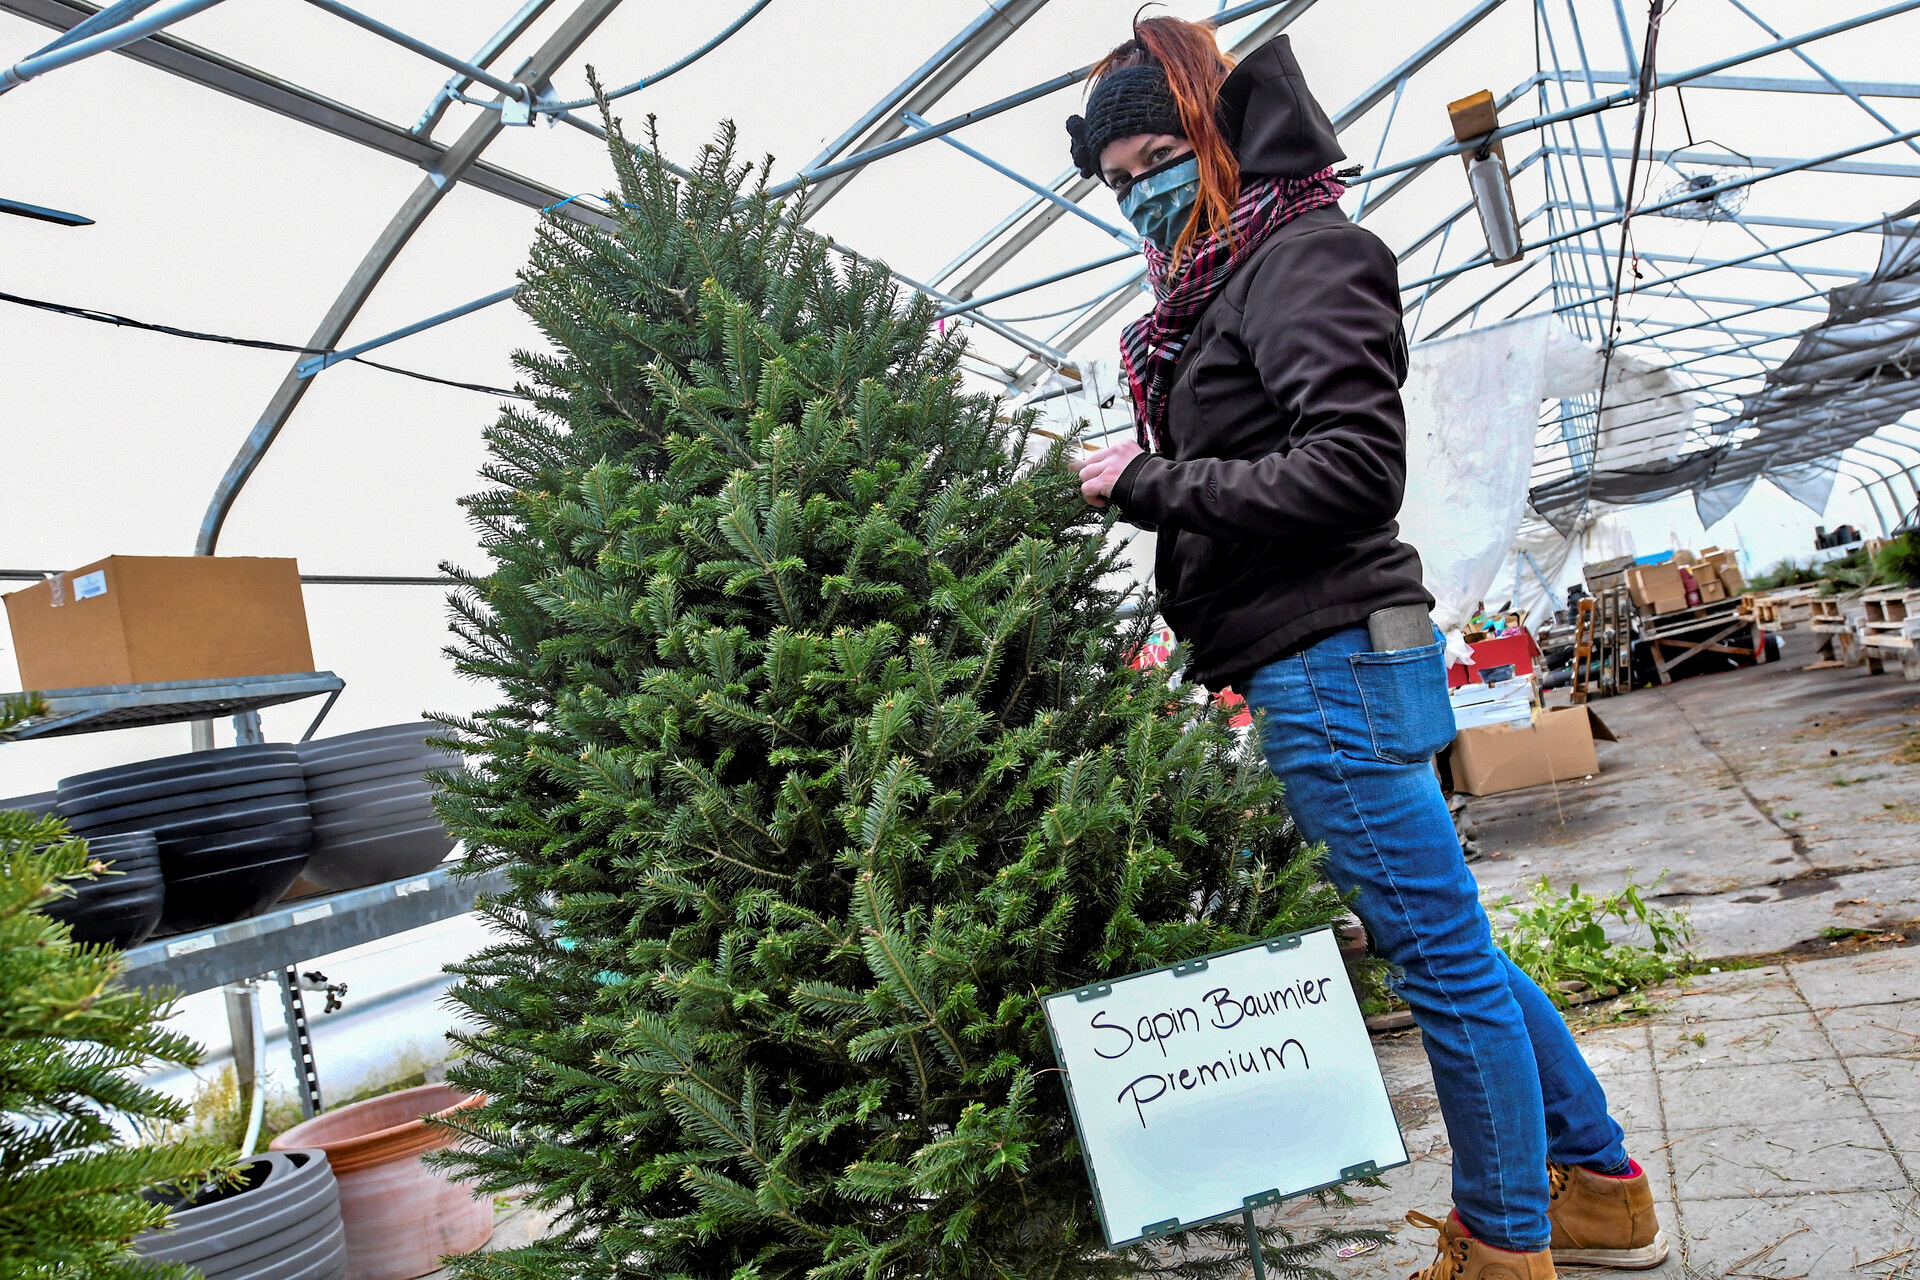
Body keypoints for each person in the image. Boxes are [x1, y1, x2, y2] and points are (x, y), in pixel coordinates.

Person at [1063, 19, 1668, 1280]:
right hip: (1325, 654)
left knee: (1441, 965)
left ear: (1216, 137)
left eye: (1156, 160)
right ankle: (1602, 1187)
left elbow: (1350, 468)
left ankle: (1502, 1242)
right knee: (1455, 943)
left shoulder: (1303, 255)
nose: (1139, 196)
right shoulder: (1229, 282)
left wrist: (1148, 482)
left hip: (1328, 659)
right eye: (1116, 181)